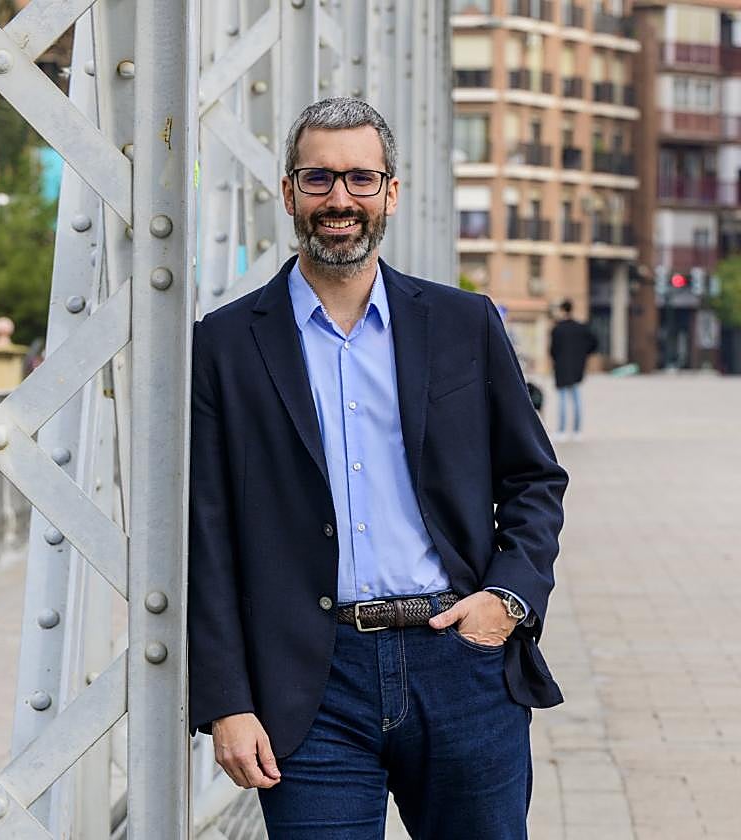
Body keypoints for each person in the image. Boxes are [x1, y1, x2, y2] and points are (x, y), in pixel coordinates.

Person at [187, 98, 568, 839]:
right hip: (308, 684)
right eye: (319, 179)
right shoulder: (224, 345)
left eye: (361, 179)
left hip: (460, 663)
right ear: (289, 192)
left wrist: (507, 601)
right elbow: (207, 532)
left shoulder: (463, 324)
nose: (340, 199)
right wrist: (226, 701)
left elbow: (533, 480)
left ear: (391, 192)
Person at [548, 299, 598, 442]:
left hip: (561, 368)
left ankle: (562, 431)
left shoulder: (557, 329)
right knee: (577, 399)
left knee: (563, 400)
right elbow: (594, 343)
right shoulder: (581, 328)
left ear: (563, 310)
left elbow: (552, 350)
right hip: (577, 367)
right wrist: (583, 354)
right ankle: (577, 431)